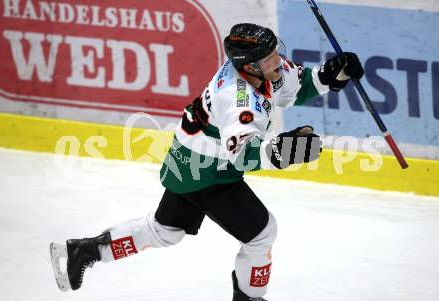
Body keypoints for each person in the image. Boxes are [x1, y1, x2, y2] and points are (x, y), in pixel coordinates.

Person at [61, 23, 364, 300]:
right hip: (207, 172)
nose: (277, 61)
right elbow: (243, 154)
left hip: (190, 161)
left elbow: (295, 84)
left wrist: (332, 73)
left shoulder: (260, 68)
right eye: (270, 58)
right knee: (261, 234)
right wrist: (281, 151)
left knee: (165, 231)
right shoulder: (238, 99)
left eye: (275, 53)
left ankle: (85, 250)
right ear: (249, 66)